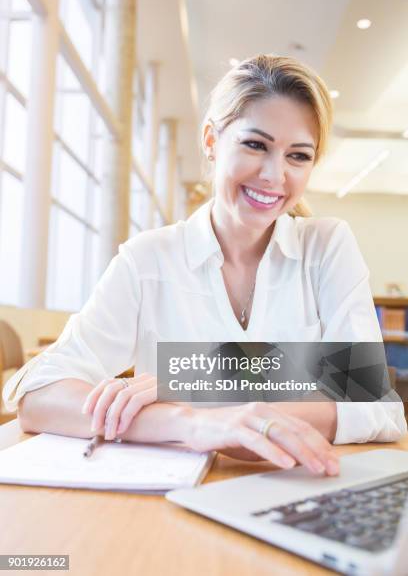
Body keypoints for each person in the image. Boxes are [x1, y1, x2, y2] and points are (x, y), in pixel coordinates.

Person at [3, 55, 406, 477]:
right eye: (255, 145)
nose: (274, 175)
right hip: (165, 505)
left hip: (296, 488)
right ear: (212, 141)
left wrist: (196, 391)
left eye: (298, 156)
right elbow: (38, 393)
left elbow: (373, 403)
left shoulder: (326, 247)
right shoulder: (147, 259)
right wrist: (191, 423)